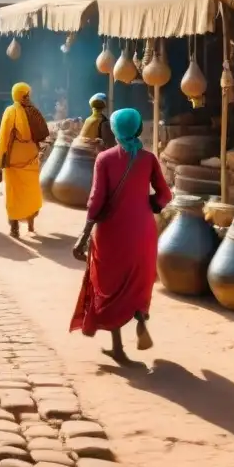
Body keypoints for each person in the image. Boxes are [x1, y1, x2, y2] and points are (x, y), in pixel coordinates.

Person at [70, 108, 171, 364]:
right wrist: (147, 203)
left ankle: (117, 347)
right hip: (142, 231)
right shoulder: (148, 159)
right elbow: (165, 195)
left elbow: (96, 200)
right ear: (138, 130)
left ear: (114, 131)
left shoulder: (104, 159)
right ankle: (140, 318)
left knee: (111, 286)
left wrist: (83, 236)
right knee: (138, 279)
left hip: (112, 233)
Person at [0, 82, 48, 238]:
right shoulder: (34, 111)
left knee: (14, 194)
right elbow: (42, 134)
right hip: (31, 158)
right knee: (31, 192)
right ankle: (30, 224)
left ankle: (15, 228)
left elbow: (3, 139)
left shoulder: (10, 112)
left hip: (14, 161)